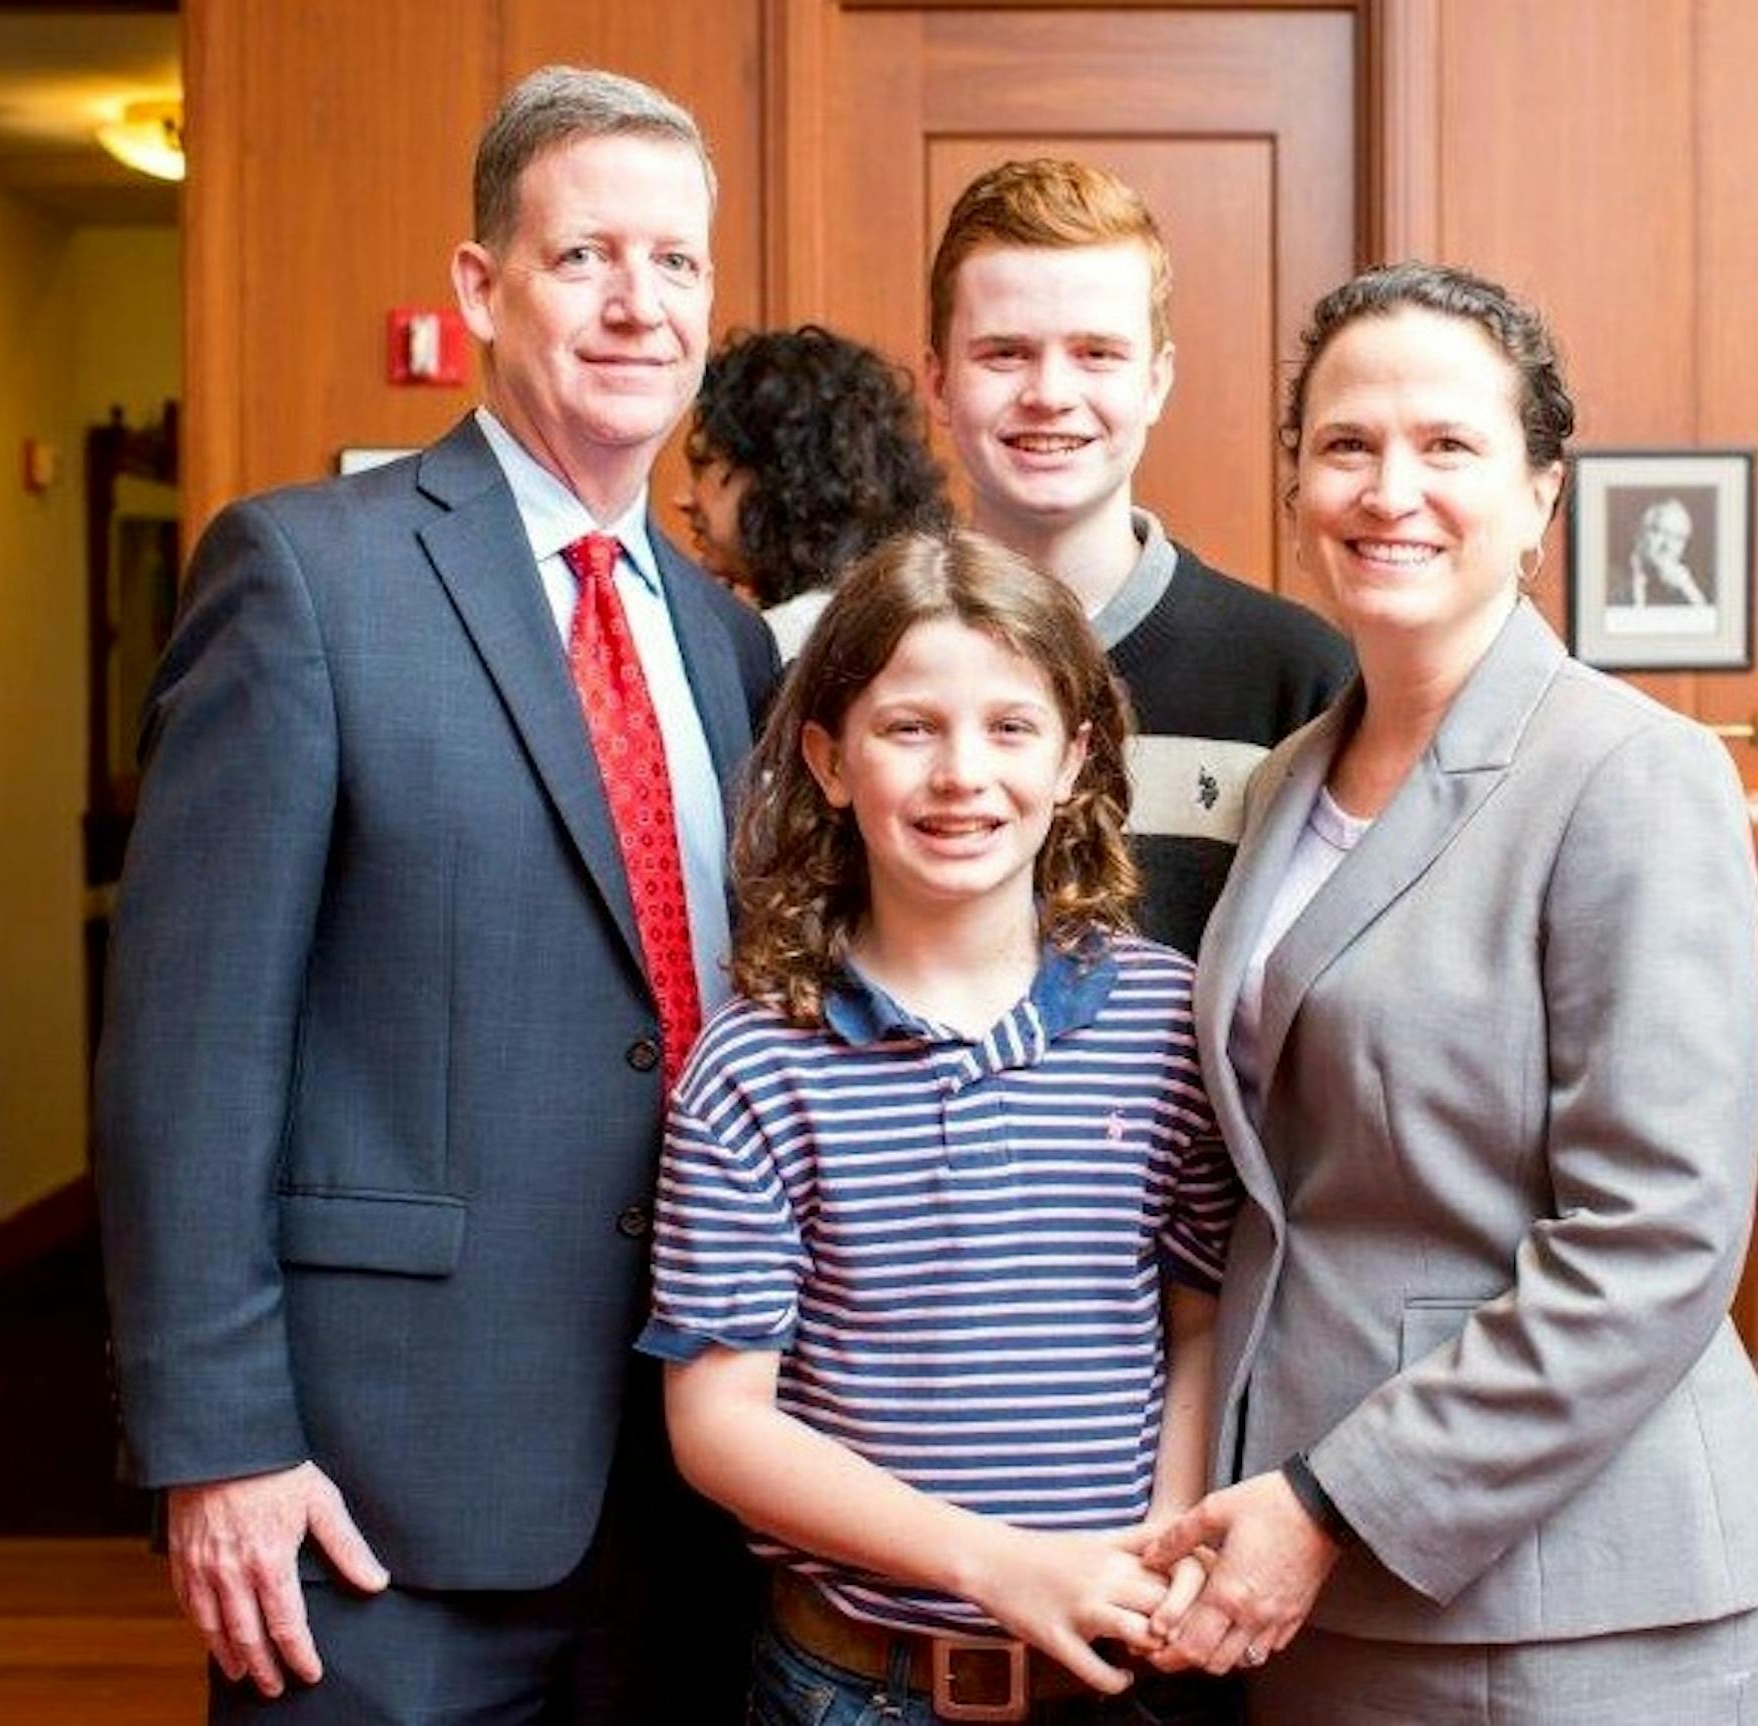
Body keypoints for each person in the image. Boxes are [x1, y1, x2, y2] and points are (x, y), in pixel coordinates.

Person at [94, 66, 778, 1721]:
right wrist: (223, 1442)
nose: (639, 304)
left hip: (691, 1477)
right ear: (481, 287)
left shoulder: (726, 639)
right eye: (585, 257)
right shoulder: (306, 578)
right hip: (375, 1495)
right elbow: (189, 1054)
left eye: (676, 264)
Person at [1141, 263, 1758, 1723]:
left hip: (1574, 1601)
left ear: (1541, 493)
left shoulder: (1631, 776)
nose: (1393, 490)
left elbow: (1656, 1237)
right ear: (1298, 479)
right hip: (1308, 1571)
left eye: (1449, 446)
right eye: (1347, 445)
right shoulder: (1288, 781)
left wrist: (1330, 1499)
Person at [647, 527, 1243, 1723]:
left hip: (1118, 1677)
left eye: (1010, 728)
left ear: (1074, 759)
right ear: (827, 759)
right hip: (857, 1688)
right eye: (909, 728)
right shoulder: (757, 1063)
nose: (962, 773)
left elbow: (1200, 1329)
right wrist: (1002, 1565)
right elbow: (719, 1424)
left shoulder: (1167, 1017)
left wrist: (1157, 1547)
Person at [924, 157, 1354, 958]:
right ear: (939, 384)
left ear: (1156, 381)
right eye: (1005, 353)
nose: (1049, 392)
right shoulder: (841, 664)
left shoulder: (1298, 677)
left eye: (1096, 354)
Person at [677, 323, 952, 659]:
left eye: (705, 464)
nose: (684, 499)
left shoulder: (771, 651)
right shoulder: (911, 614)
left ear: (778, 478)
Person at [1608, 494, 1708, 606]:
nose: (1668, 546)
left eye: (1678, 538)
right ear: (1638, 533)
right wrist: (1635, 586)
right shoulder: (1609, 580)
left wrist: (1690, 592)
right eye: (1660, 532)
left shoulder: (1688, 588)